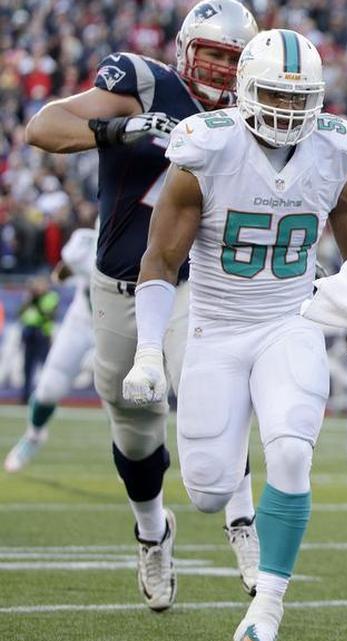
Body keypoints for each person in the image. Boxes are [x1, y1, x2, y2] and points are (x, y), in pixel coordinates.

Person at [120, 28, 347, 641]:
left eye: (300, 99)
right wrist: (151, 352)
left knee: (291, 452)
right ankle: (218, 501)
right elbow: (160, 261)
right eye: (275, 95)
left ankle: (266, 609)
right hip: (214, 327)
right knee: (209, 490)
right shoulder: (206, 148)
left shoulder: (336, 151)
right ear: (243, 90)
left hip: (288, 322)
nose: (289, 112)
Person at [22, 0, 260, 609]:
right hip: (115, 287)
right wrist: (116, 130)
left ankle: (244, 523)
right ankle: (152, 530)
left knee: (207, 394)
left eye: (234, 61)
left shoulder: (256, 113)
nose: (221, 71)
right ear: (186, 50)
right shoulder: (145, 84)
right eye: (212, 55)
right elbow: (44, 127)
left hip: (192, 285)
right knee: (133, 428)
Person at [5, 228, 97, 472]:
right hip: (83, 320)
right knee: (48, 388)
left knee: (124, 400)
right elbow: (61, 275)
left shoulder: (145, 239)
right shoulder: (87, 242)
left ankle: (134, 461)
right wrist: (67, 268)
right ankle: (34, 436)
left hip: (125, 325)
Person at [19, 277, 59, 404]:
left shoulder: (51, 297)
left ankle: (47, 396)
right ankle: (25, 396)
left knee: (46, 367)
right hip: (29, 333)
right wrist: (29, 300)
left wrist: (36, 301)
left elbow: (49, 315)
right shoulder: (29, 297)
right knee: (27, 367)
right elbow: (20, 313)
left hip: (42, 334)